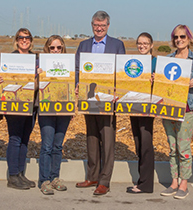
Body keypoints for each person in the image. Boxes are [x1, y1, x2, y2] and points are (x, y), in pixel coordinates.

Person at [74, 10, 126, 196]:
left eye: (102, 26)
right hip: (89, 99)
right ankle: (92, 176)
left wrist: (118, 92)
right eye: (96, 25)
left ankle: (105, 181)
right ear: (92, 25)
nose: (99, 29)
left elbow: (121, 72)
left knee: (108, 140)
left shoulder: (117, 45)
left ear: (108, 26)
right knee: (92, 138)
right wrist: (77, 85)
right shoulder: (84, 45)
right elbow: (78, 69)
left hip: (108, 100)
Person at [159, 24, 193, 200]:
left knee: (183, 147)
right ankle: (173, 182)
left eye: (182, 37)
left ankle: (184, 183)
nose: (179, 40)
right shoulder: (167, 59)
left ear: (189, 39)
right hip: (169, 108)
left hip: (188, 108)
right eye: (176, 37)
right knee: (172, 147)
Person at [36, 35, 71, 195]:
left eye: (59, 47)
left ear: (63, 48)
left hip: (64, 109)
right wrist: (38, 76)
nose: (56, 50)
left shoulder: (69, 65)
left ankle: (55, 177)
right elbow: (31, 86)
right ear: (47, 48)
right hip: (46, 108)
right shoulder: (40, 64)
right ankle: (44, 180)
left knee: (58, 146)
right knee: (47, 146)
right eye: (52, 47)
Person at [5, 28, 37, 190]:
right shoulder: (10, 58)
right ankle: (12, 176)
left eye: (27, 38)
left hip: (32, 104)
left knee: (25, 139)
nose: (25, 40)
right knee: (15, 138)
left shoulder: (36, 58)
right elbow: (4, 80)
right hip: (14, 104)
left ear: (31, 40)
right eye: (21, 38)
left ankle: (20, 174)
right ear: (16, 40)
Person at [126, 32, 156, 194]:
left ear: (151, 45)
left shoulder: (156, 62)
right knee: (138, 143)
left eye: (145, 43)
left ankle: (145, 184)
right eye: (139, 43)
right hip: (134, 105)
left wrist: (155, 79)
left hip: (149, 108)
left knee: (146, 144)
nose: (142, 46)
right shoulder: (134, 62)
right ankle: (141, 180)